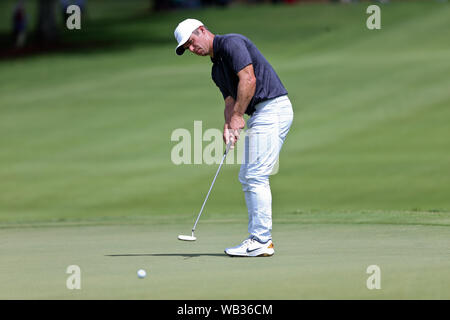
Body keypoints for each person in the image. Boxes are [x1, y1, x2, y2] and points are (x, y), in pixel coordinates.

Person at [174, 19, 293, 257]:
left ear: (202, 30)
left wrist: (239, 116)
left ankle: (261, 240)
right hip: (262, 112)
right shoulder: (216, 69)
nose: (191, 48)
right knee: (249, 175)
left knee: (254, 174)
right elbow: (230, 100)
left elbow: (248, 79)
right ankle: (260, 239)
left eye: (191, 41)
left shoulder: (231, 43)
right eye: (186, 47)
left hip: (272, 108)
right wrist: (229, 124)